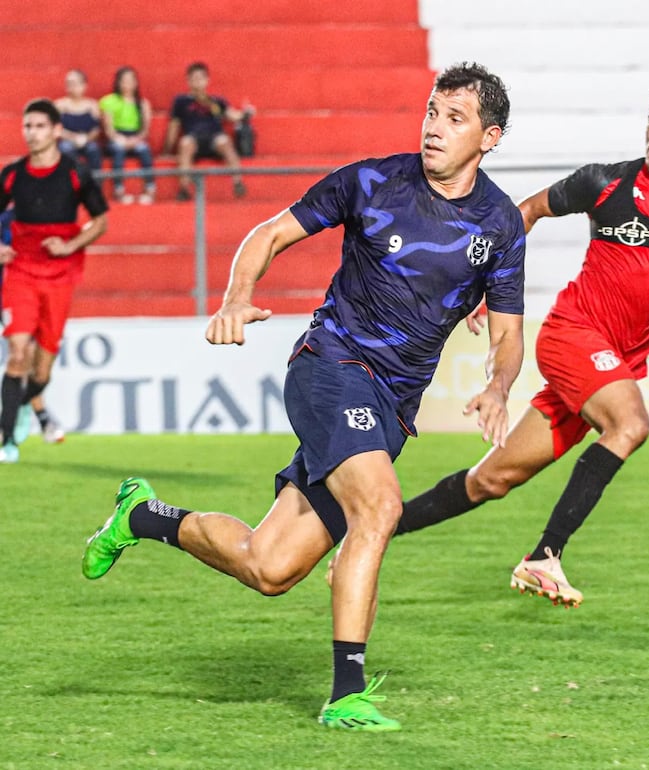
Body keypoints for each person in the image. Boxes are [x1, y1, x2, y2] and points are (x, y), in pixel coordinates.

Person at [82, 62, 526, 730]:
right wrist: (236, 297)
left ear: (489, 137)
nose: (434, 127)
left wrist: (499, 383)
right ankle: (347, 691)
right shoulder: (372, 180)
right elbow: (270, 234)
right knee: (379, 506)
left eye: (454, 118)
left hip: (392, 408)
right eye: (432, 110)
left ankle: (143, 516)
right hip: (330, 366)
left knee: (270, 568)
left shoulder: (498, 224)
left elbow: (509, 330)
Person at [389, 82, 649, 608]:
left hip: (610, 366)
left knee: (492, 478)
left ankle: (373, 533)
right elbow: (523, 212)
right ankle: (544, 556)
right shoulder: (605, 182)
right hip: (573, 335)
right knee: (630, 425)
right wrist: (485, 283)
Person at [0, 99, 108, 463]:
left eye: (40, 126)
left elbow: (100, 221)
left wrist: (71, 244)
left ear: (56, 130)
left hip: (60, 275)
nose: (32, 133)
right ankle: (7, 439)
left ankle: (28, 407)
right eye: (27, 126)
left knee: (42, 369)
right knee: (17, 354)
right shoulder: (12, 175)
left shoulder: (76, 173)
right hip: (20, 272)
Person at [0, 209, 67, 445]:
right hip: (10, 295)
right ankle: (38, 420)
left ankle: (34, 417)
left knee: (32, 364)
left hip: (32, 297)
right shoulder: (7, 219)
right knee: (21, 356)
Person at [164, 61, 250, 201]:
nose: (198, 81)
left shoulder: (216, 101)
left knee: (225, 141)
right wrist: (167, 150)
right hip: (193, 138)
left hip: (214, 138)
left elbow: (232, 115)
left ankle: (238, 182)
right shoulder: (181, 101)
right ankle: (184, 188)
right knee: (185, 143)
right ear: (188, 81)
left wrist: (246, 114)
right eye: (194, 78)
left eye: (201, 78)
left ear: (207, 80)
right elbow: (174, 125)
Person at [99, 66, 156, 205]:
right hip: (117, 136)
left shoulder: (143, 103)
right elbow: (109, 129)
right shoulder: (108, 101)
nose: (127, 84)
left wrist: (136, 139)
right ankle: (119, 190)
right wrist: (120, 139)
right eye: (124, 80)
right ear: (118, 82)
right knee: (118, 150)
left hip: (136, 136)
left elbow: (145, 130)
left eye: (131, 80)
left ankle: (149, 189)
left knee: (144, 150)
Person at [54, 69, 102, 172]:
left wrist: (86, 138)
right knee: (66, 148)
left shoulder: (92, 105)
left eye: (75, 83)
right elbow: (55, 129)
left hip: (88, 140)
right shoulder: (59, 105)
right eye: (69, 83)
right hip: (67, 140)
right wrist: (73, 138)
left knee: (94, 149)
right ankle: (73, 181)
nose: (72, 87)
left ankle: (95, 183)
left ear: (84, 85)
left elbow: (96, 129)